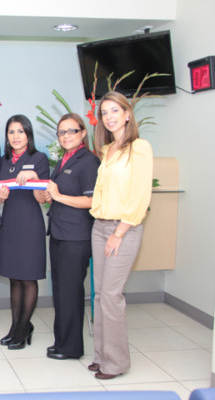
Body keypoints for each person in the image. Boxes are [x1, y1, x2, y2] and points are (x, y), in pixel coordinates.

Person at [88, 91, 153, 380]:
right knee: (101, 294)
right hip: (99, 226)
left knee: (112, 295)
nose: (110, 116)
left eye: (115, 110)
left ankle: (116, 363)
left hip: (122, 228)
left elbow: (141, 195)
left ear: (128, 114)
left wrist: (120, 231)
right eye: (105, 112)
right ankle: (101, 356)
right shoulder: (107, 150)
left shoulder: (139, 147)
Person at [43, 113, 100, 360]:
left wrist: (58, 196)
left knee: (70, 292)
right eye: (62, 132)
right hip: (59, 234)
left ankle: (72, 347)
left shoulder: (88, 161)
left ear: (83, 133)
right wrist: (51, 196)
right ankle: (62, 341)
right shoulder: (65, 159)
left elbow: (91, 201)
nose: (66, 136)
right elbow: (60, 192)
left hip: (76, 238)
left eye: (71, 131)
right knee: (61, 291)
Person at [0, 114, 49, 350]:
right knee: (14, 277)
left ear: (28, 135)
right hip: (10, 223)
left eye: (20, 131)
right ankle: (16, 326)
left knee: (28, 277)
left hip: (30, 224)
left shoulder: (39, 158)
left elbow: (42, 198)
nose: (15, 136)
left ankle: (24, 326)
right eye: (11, 132)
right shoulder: (2, 161)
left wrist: (36, 178)